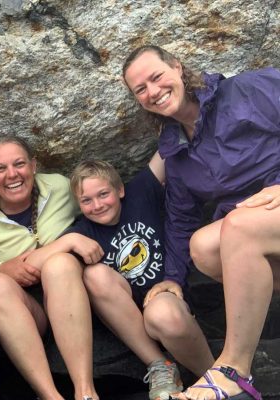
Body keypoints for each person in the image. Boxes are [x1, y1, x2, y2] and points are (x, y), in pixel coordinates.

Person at [122, 44, 280, 400]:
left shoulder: (248, 90)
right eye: (140, 89)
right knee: (205, 247)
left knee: (237, 227)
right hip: (262, 229)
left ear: (178, 68)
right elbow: (181, 218)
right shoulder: (175, 148)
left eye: (156, 76)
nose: (152, 91)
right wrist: (173, 280)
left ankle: (233, 369)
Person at [60, 157, 213, 400]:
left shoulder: (140, 192)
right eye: (86, 201)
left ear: (120, 189)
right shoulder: (83, 232)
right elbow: (33, 264)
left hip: (168, 302)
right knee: (94, 274)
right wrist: (67, 241)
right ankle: (160, 365)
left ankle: (214, 378)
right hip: (129, 318)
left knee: (162, 313)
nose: (97, 205)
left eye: (103, 194)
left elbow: (166, 150)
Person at [0, 136, 101, 400]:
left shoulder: (62, 188)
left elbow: (101, 214)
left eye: (19, 164)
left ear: (34, 165)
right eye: (0, 169)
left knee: (59, 264)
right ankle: (50, 396)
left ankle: (85, 392)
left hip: (75, 294)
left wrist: (70, 240)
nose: (12, 175)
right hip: (27, 311)